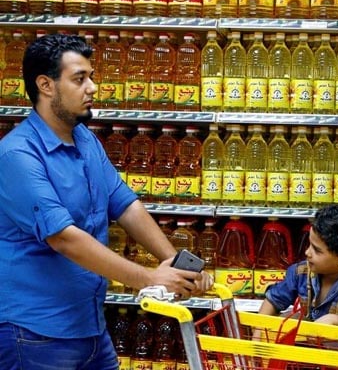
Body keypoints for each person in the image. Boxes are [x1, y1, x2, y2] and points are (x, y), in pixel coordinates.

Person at [0, 33, 213, 370]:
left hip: (90, 328)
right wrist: (149, 278)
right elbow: (64, 238)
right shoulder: (17, 155)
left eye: (92, 76)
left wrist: (175, 263)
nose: (93, 87)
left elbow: (126, 205)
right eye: (80, 79)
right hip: (35, 333)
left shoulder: (85, 140)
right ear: (46, 85)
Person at [257, 203, 338, 326]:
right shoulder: (300, 272)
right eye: (309, 244)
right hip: (307, 344)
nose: (307, 252)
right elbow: (273, 300)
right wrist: (258, 340)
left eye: (316, 250)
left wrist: (337, 321)